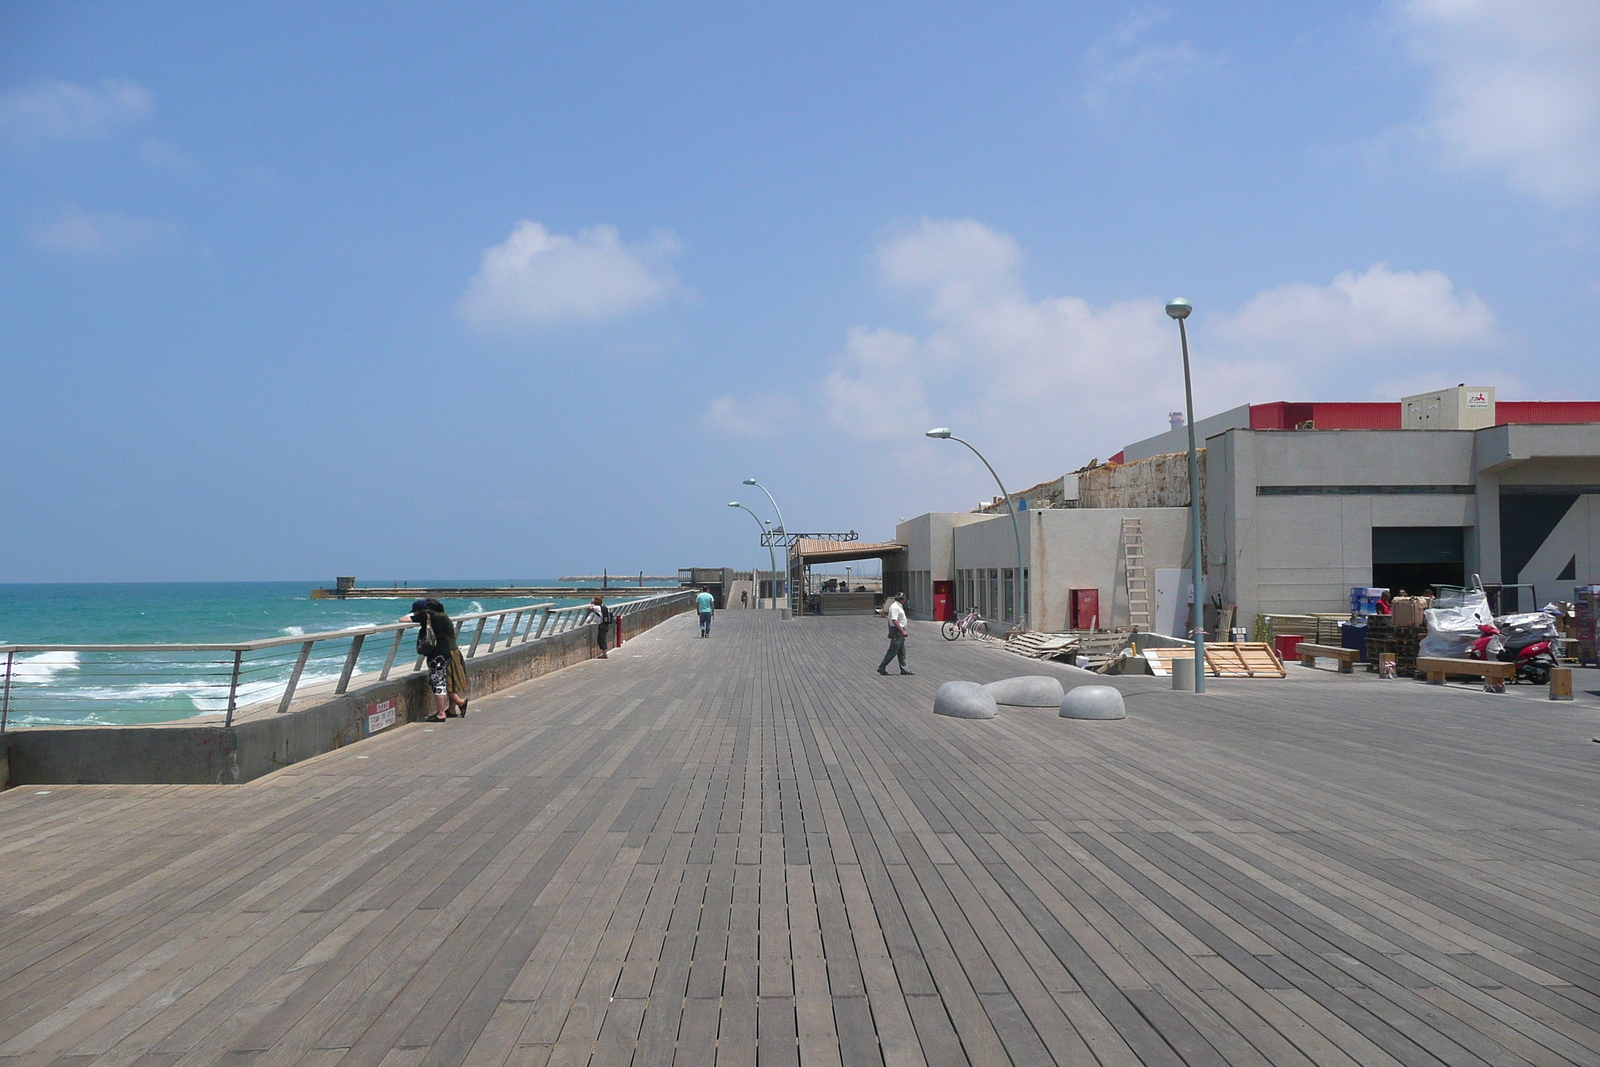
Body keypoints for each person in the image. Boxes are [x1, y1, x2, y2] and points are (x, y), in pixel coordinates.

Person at [402, 598, 468, 721]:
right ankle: (452, 709)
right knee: (448, 682)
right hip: (448, 652)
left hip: (440, 653)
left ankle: (446, 710)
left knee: (440, 683)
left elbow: (403, 619)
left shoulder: (428, 617)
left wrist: (417, 614)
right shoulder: (441, 616)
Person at [877, 591, 913, 675]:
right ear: (901, 600)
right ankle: (881, 667)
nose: (904, 600)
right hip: (897, 632)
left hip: (899, 631)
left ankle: (904, 669)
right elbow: (894, 620)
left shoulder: (898, 606)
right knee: (892, 652)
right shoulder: (895, 607)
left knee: (902, 652)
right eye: (904, 599)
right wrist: (902, 631)